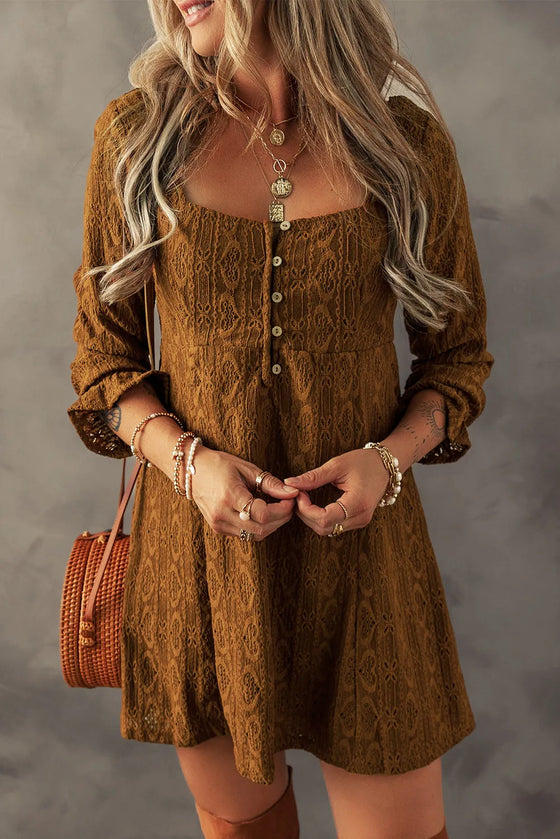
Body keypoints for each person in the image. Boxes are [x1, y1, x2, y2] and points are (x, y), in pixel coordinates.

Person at [67, 1, 494, 837]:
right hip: (201, 569)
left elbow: (458, 359)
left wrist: (390, 459)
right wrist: (191, 463)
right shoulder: (135, 138)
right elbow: (102, 364)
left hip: (366, 573)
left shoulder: (404, 146)